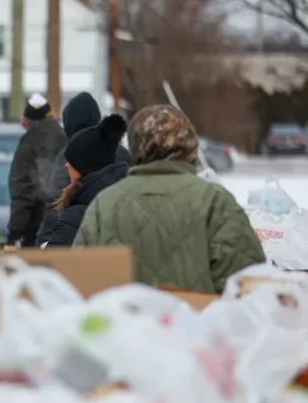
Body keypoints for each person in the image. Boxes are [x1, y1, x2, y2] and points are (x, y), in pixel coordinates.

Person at [74, 105, 266, 293]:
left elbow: (80, 282)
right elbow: (248, 286)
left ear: (135, 145)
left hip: (124, 322)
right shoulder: (216, 202)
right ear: (190, 144)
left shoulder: (105, 204)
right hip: (200, 321)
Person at [36, 92, 132, 245]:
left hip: (75, 239)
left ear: (69, 124)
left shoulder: (68, 155)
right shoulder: (123, 153)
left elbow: (55, 204)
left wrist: (46, 242)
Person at [8, 93, 68, 246]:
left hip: (37, 227)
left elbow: (22, 190)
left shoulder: (28, 144)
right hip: (67, 223)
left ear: (25, 123)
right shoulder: (68, 139)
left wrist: (15, 232)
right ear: (53, 118)